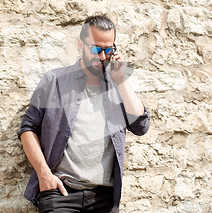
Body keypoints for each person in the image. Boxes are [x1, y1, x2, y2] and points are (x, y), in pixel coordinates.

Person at [17, 15, 150, 213]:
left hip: (104, 198)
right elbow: (28, 129)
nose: (103, 57)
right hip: (60, 194)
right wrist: (44, 174)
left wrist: (122, 81)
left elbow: (141, 126)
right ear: (80, 45)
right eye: (96, 49)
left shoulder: (117, 86)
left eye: (109, 49)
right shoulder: (54, 81)